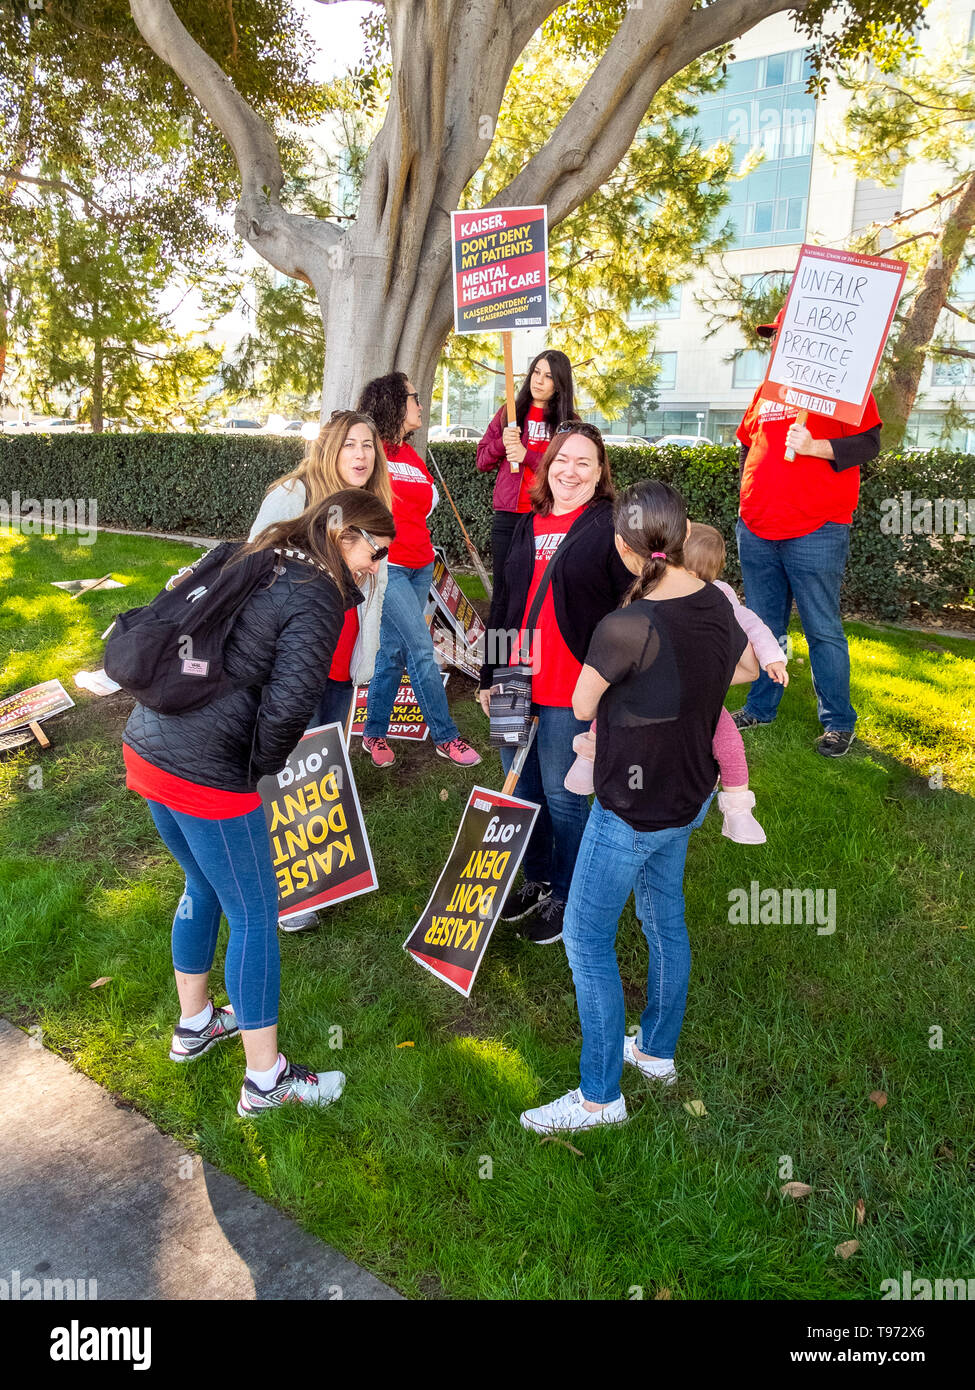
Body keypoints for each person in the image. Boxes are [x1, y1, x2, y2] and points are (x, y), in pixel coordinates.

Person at [122, 490, 395, 1117]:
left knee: (200, 883)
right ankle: (265, 1078)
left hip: (150, 742)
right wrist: (257, 773)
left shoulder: (258, 548)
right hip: (206, 771)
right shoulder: (318, 593)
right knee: (256, 912)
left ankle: (195, 1025)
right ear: (343, 535)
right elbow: (291, 705)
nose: (375, 566)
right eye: (373, 550)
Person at [520, 481, 759, 1134]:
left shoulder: (625, 625)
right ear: (680, 538)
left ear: (627, 551)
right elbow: (742, 671)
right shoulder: (713, 599)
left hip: (629, 810)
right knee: (663, 921)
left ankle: (599, 1097)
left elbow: (579, 704)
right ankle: (654, 1051)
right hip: (689, 796)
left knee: (585, 940)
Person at [478, 422, 631, 945]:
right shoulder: (527, 522)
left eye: (584, 462)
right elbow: (504, 602)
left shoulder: (609, 526)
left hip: (573, 686)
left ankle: (567, 891)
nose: (571, 471)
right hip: (514, 680)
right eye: (563, 459)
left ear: (600, 472)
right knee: (521, 790)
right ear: (549, 466)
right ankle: (537, 876)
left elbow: (628, 608)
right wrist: (490, 674)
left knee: (566, 798)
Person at [733, 307, 881, 757]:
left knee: (822, 630)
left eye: (784, 334)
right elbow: (747, 443)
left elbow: (870, 441)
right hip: (757, 528)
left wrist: (817, 447)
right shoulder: (765, 389)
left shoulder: (843, 386)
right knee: (763, 625)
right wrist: (747, 497)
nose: (776, 342)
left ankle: (838, 723)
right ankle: (761, 707)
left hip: (816, 530)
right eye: (773, 335)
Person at [357, 370, 480, 769]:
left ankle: (373, 733)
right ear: (395, 403)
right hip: (387, 567)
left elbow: (428, 500)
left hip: (421, 563)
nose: (420, 405)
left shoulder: (409, 454)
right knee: (423, 650)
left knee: (392, 651)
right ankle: (447, 737)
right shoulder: (368, 451)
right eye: (414, 398)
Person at [248, 409, 393, 732]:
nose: (360, 454)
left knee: (329, 751)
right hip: (295, 652)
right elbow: (254, 565)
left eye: (368, 445)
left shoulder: (373, 504)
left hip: (343, 649)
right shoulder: (295, 494)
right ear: (330, 449)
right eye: (349, 444)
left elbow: (377, 584)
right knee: (294, 752)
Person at [475, 350, 578, 579]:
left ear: (560, 383)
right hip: (508, 516)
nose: (539, 380)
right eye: (536, 372)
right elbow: (482, 461)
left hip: (548, 515)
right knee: (504, 589)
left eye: (548, 376)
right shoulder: (509, 413)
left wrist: (526, 455)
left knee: (539, 585)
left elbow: (570, 470)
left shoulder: (570, 422)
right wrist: (502, 443)